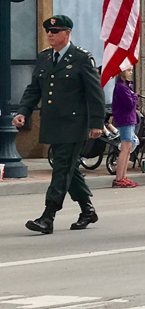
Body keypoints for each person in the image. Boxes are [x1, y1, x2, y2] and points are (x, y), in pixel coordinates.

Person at [16, 15, 106, 234]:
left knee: (62, 168)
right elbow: (34, 88)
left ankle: (48, 216)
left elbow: (95, 93)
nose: (49, 35)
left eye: (55, 31)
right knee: (68, 167)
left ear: (67, 33)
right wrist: (23, 111)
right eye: (48, 31)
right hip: (53, 122)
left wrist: (97, 123)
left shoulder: (82, 58)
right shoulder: (45, 58)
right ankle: (87, 209)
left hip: (74, 123)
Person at [111, 67, 139, 188]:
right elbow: (130, 103)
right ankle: (119, 177)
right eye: (128, 70)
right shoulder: (121, 87)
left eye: (131, 70)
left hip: (129, 119)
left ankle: (123, 175)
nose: (131, 73)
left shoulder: (125, 86)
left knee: (128, 148)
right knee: (125, 148)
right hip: (125, 120)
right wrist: (135, 96)